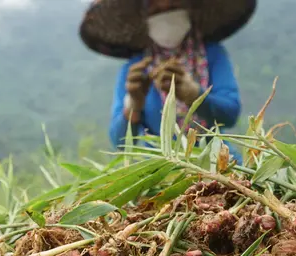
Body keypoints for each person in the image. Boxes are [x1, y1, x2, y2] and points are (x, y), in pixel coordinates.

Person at [79, 0, 256, 162]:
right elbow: (120, 142)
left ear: (187, 9)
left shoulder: (212, 54)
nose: (165, 15)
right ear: (146, 17)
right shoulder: (134, 70)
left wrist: (194, 94)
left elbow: (231, 112)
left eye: (172, 6)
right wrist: (133, 103)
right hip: (160, 169)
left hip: (217, 160)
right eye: (156, 9)